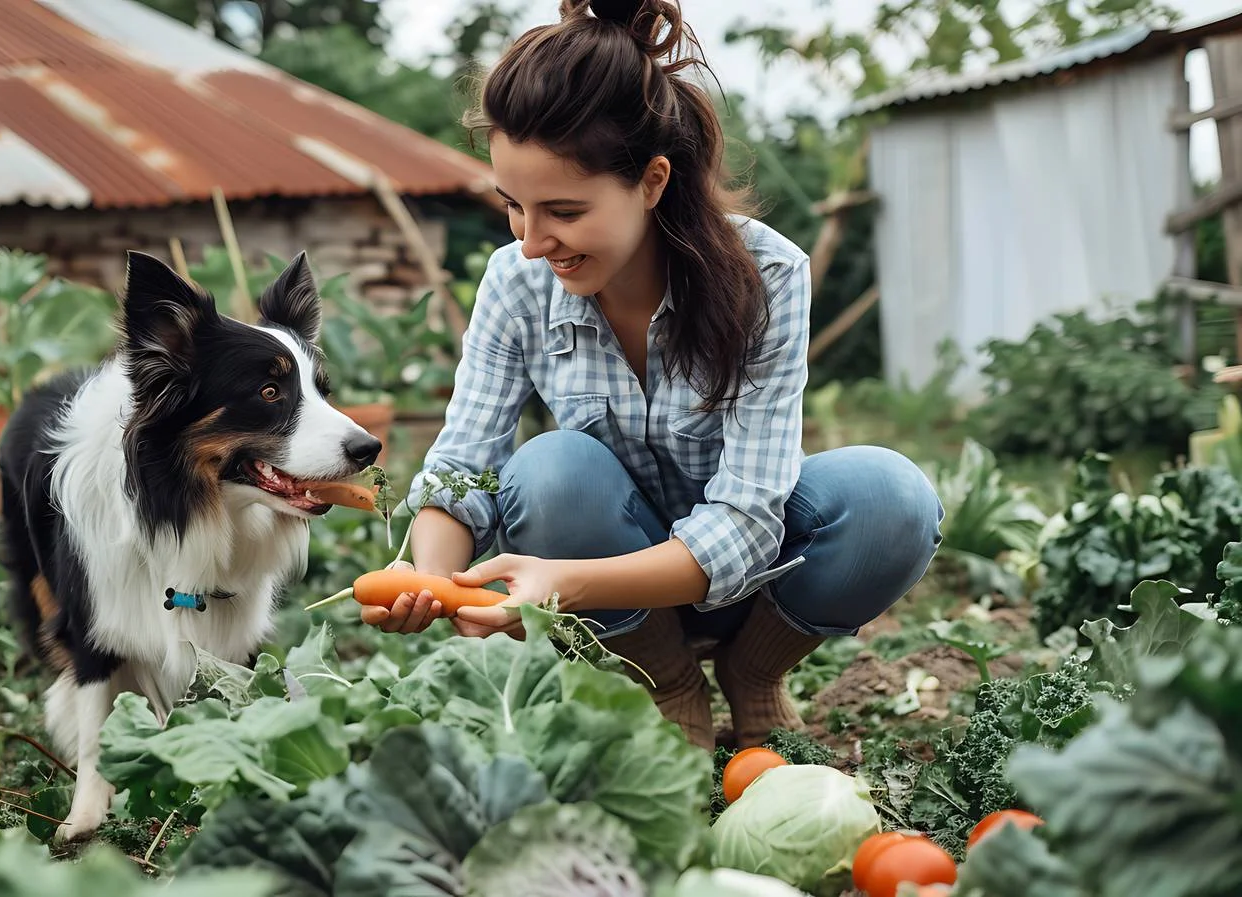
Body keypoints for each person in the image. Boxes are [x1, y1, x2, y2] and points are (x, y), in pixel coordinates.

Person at [360, 0, 944, 753]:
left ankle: (754, 673)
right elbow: (463, 463)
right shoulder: (514, 282)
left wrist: (565, 584)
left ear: (653, 180)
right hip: (612, 589)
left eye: (562, 211)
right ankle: (666, 681)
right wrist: (430, 578)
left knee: (891, 500)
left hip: (749, 583)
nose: (532, 243)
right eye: (514, 207)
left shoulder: (767, 275)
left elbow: (745, 523)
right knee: (550, 469)